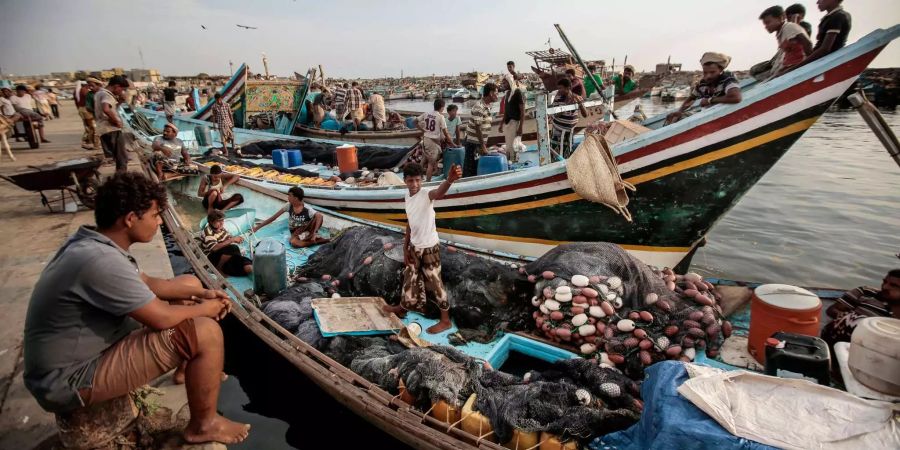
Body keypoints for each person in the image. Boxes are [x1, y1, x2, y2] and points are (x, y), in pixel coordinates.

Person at [23, 172, 250, 445]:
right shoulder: (101, 261)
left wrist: (202, 291)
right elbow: (161, 318)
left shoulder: (98, 245)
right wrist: (208, 308)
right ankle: (203, 425)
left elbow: (151, 283)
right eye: (154, 216)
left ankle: (185, 370)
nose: (158, 222)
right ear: (130, 219)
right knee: (206, 332)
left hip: (75, 360)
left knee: (188, 282)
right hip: (67, 380)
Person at [383, 162, 462, 334]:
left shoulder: (426, 194)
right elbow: (410, 223)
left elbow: (438, 193)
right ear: (405, 181)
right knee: (409, 278)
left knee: (435, 282)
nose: (415, 184)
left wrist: (449, 180)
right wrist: (405, 247)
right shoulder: (407, 196)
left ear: (422, 181)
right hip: (414, 247)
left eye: (418, 180)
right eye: (411, 181)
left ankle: (445, 320)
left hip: (430, 248)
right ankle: (403, 309)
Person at [821, 269, 900, 348]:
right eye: (885, 282)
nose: (885, 287)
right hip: (837, 341)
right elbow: (832, 310)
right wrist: (853, 319)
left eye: (894, 285)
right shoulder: (865, 292)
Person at [666, 52, 742, 124]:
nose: (708, 76)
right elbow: (691, 98)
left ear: (720, 70)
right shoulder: (702, 83)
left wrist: (710, 100)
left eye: (712, 72)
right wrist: (680, 111)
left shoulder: (727, 79)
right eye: (705, 72)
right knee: (675, 118)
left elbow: (736, 97)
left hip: (723, 115)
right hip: (706, 115)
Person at [252, 186, 329, 248]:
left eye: (289, 195)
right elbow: (273, 217)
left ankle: (313, 235)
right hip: (296, 231)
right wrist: (257, 228)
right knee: (294, 243)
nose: (288, 197)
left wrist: (315, 232)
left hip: (306, 228)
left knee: (318, 216)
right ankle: (315, 241)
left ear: (295, 198)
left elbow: (319, 216)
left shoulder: (307, 208)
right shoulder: (288, 205)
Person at [760, 6, 813, 77]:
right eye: (765, 24)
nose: (766, 26)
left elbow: (808, 43)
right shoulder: (780, 32)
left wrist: (810, 63)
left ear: (781, 18)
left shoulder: (788, 27)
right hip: (791, 66)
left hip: (799, 65)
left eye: (768, 22)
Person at [198, 210, 253, 276]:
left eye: (222, 220)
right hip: (213, 257)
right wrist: (232, 240)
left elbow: (228, 238)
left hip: (225, 256)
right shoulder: (208, 232)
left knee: (249, 267)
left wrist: (236, 240)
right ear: (211, 222)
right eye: (219, 221)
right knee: (233, 248)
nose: (222, 223)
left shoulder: (221, 228)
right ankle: (218, 268)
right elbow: (214, 248)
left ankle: (229, 267)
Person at [94, 75, 130, 172]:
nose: (121, 92)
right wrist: (117, 121)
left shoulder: (99, 93)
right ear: (117, 86)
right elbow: (106, 109)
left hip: (103, 129)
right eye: (122, 89)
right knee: (122, 159)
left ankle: (119, 179)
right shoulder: (107, 95)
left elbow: (110, 108)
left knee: (117, 157)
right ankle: (121, 181)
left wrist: (120, 102)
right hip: (111, 129)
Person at [462, 82, 498, 177]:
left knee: (476, 169)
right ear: (491, 93)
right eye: (496, 93)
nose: (497, 96)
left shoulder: (487, 106)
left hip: (479, 143)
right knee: (470, 171)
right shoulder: (479, 107)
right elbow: (478, 128)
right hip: (473, 143)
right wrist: (483, 146)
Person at [802, 0, 851, 65]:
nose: (817, 2)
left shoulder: (837, 16)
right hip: (822, 60)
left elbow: (824, 49)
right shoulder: (830, 17)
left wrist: (798, 66)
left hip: (827, 62)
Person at [416, 99, 455, 181]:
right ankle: (428, 181)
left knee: (424, 159)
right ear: (442, 107)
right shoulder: (440, 117)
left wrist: (422, 130)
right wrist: (453, 144)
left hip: (425, 139)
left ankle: (417, 176)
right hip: (432, 142)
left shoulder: (426, 113)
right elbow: (446, 133)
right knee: (431, 163)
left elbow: (414, 121)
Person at [549, 78, 588, 159]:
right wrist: (566, 105)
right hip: (558, 130)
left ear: (568, 88)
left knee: (567, 152)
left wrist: (580, 103)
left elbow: (585, 114)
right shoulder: (558, 98)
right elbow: (555, 115)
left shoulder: (577, 97)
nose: (559, 90)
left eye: (560, 88)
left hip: (569, 131)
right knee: (556, 153)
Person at [498, 77, 525, 162]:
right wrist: (501, 124)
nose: (503, 85)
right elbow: (506, 111)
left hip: (515, 122)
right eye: (503, 83)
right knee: (509, 146)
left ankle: (514, 162)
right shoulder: (507, 94)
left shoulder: (517, 92)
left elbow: (522, 111)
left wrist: (520, 127)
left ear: (510, 82)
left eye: (505, 83)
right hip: (507, 123)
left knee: (514, 146)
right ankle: (511, 161)